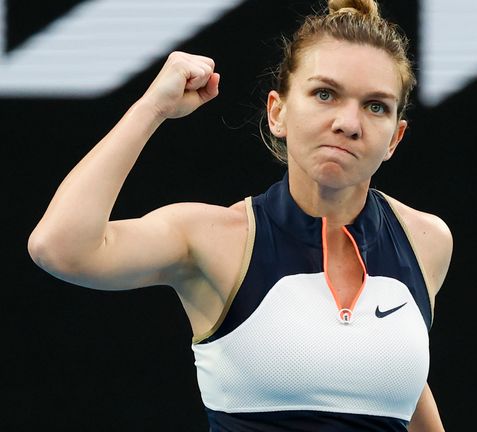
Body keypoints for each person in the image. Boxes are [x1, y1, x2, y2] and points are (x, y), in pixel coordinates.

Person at [27, 0, 452, 430]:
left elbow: (390, 378)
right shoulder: (212, 239)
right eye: (325, 94)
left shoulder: (426, 240)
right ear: (277, 112)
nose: (348, 122)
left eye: (376, 106)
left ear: (395, 138)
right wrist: (151, 108)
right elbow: (59, 247)